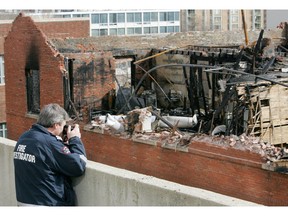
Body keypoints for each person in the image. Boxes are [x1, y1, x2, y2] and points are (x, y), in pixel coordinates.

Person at [13, 103, 87, 206]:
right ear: (56, 125)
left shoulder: (25, 137)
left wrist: (61, 146)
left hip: (25, 202)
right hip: (46, 204)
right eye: (63, 125)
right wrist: (75, 139)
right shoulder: (49, 143)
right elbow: (78, 165)